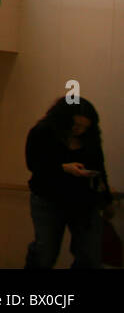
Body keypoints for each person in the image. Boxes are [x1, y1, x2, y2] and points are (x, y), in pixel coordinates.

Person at [24, 97, 113, 268]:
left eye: (85, 127)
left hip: (84, 200)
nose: (79, 130)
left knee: (90, 254)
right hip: (48, 198)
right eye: (76, 125)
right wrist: (63, 167)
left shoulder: (90, 139)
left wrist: (106, 199)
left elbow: (99, 168)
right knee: (45, 252)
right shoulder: (42, 131)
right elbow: (33, 164)